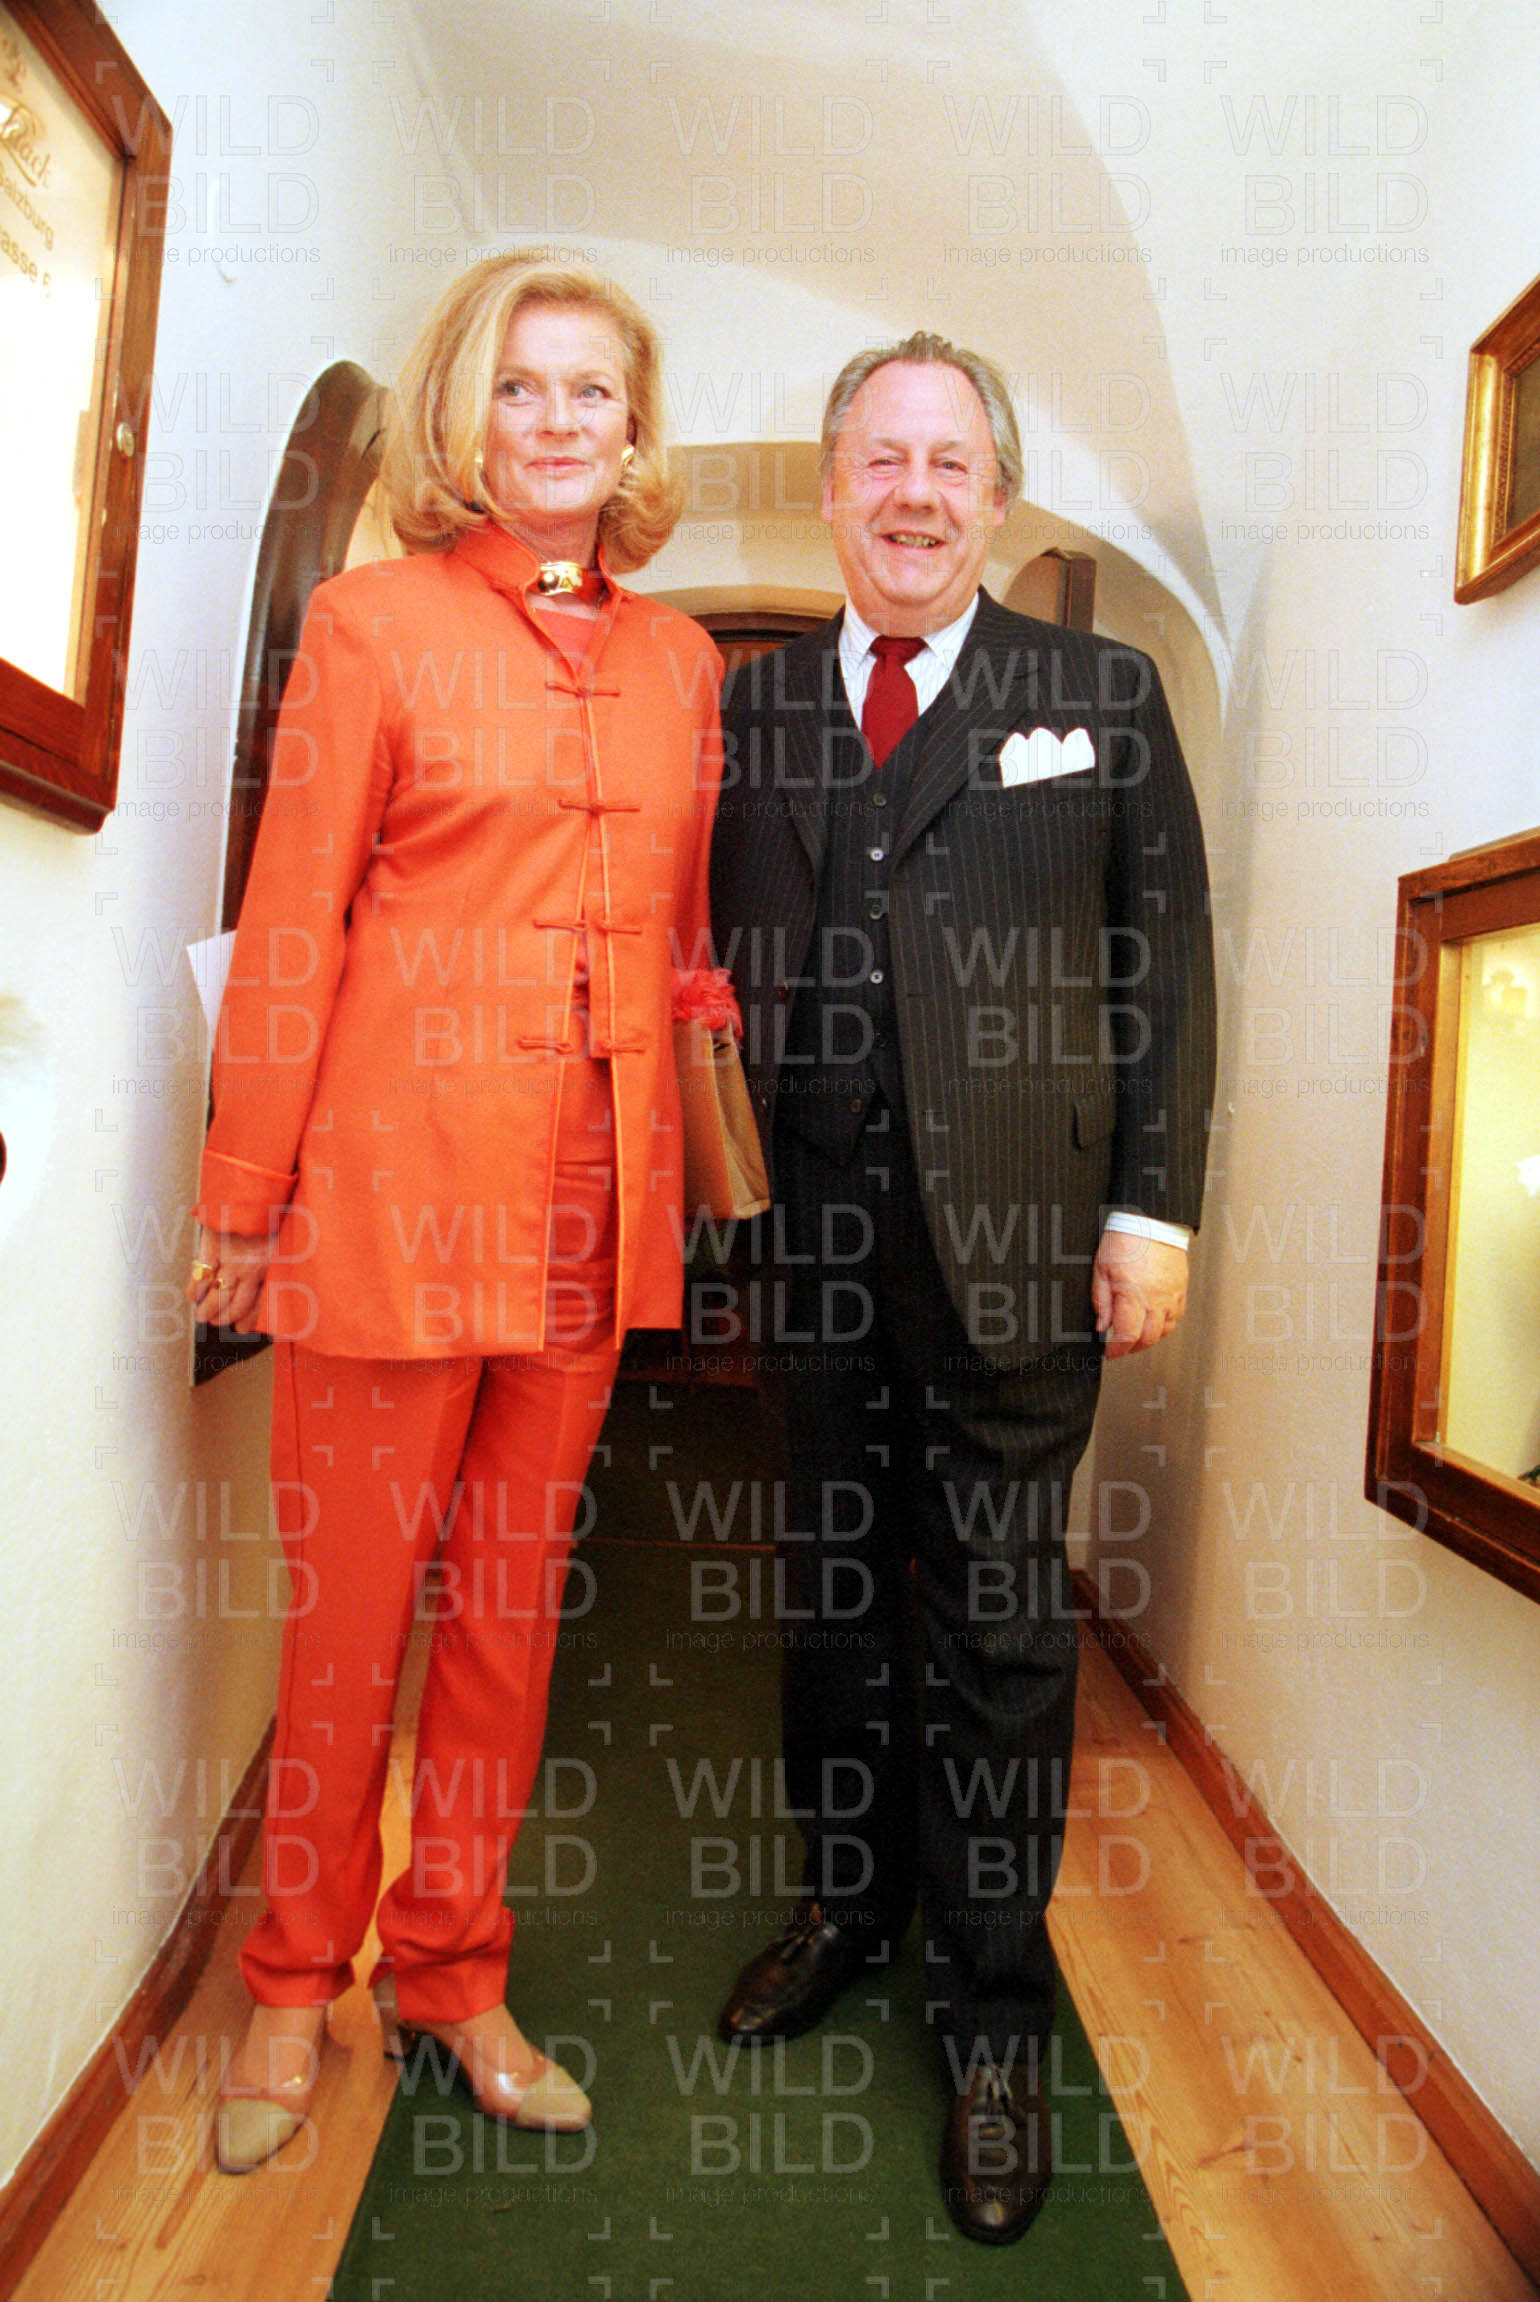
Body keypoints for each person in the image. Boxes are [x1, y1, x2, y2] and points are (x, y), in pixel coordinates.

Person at [188, 252, 725, 2173]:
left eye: (593, 389)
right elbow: (293, 923)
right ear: (463, 418)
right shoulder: (372, 624)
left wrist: (704, 1052)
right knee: (349, 1626)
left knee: (508, 1621)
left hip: (591, 1209)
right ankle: (289, 1982)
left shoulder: (686, 665)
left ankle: (454, 1971)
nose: (558, 419)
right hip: (392, 1202)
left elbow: (679, 937)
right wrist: (243, 1193)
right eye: (521, 384)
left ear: (635, 431)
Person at [708, 332, 1216, 2245]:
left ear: (996, 496)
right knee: (835, 1595)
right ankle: (849, 1898)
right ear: (829, 488)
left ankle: (996, 2019)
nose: (912, 493)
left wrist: (1151, 1213)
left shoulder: (1100, 691)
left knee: (999, 1627)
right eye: (880, 459)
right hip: (813, 1241)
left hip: (1023, 1239)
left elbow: (1165, 963)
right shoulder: (755, 706)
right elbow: (709, 948)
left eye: (949, 463)